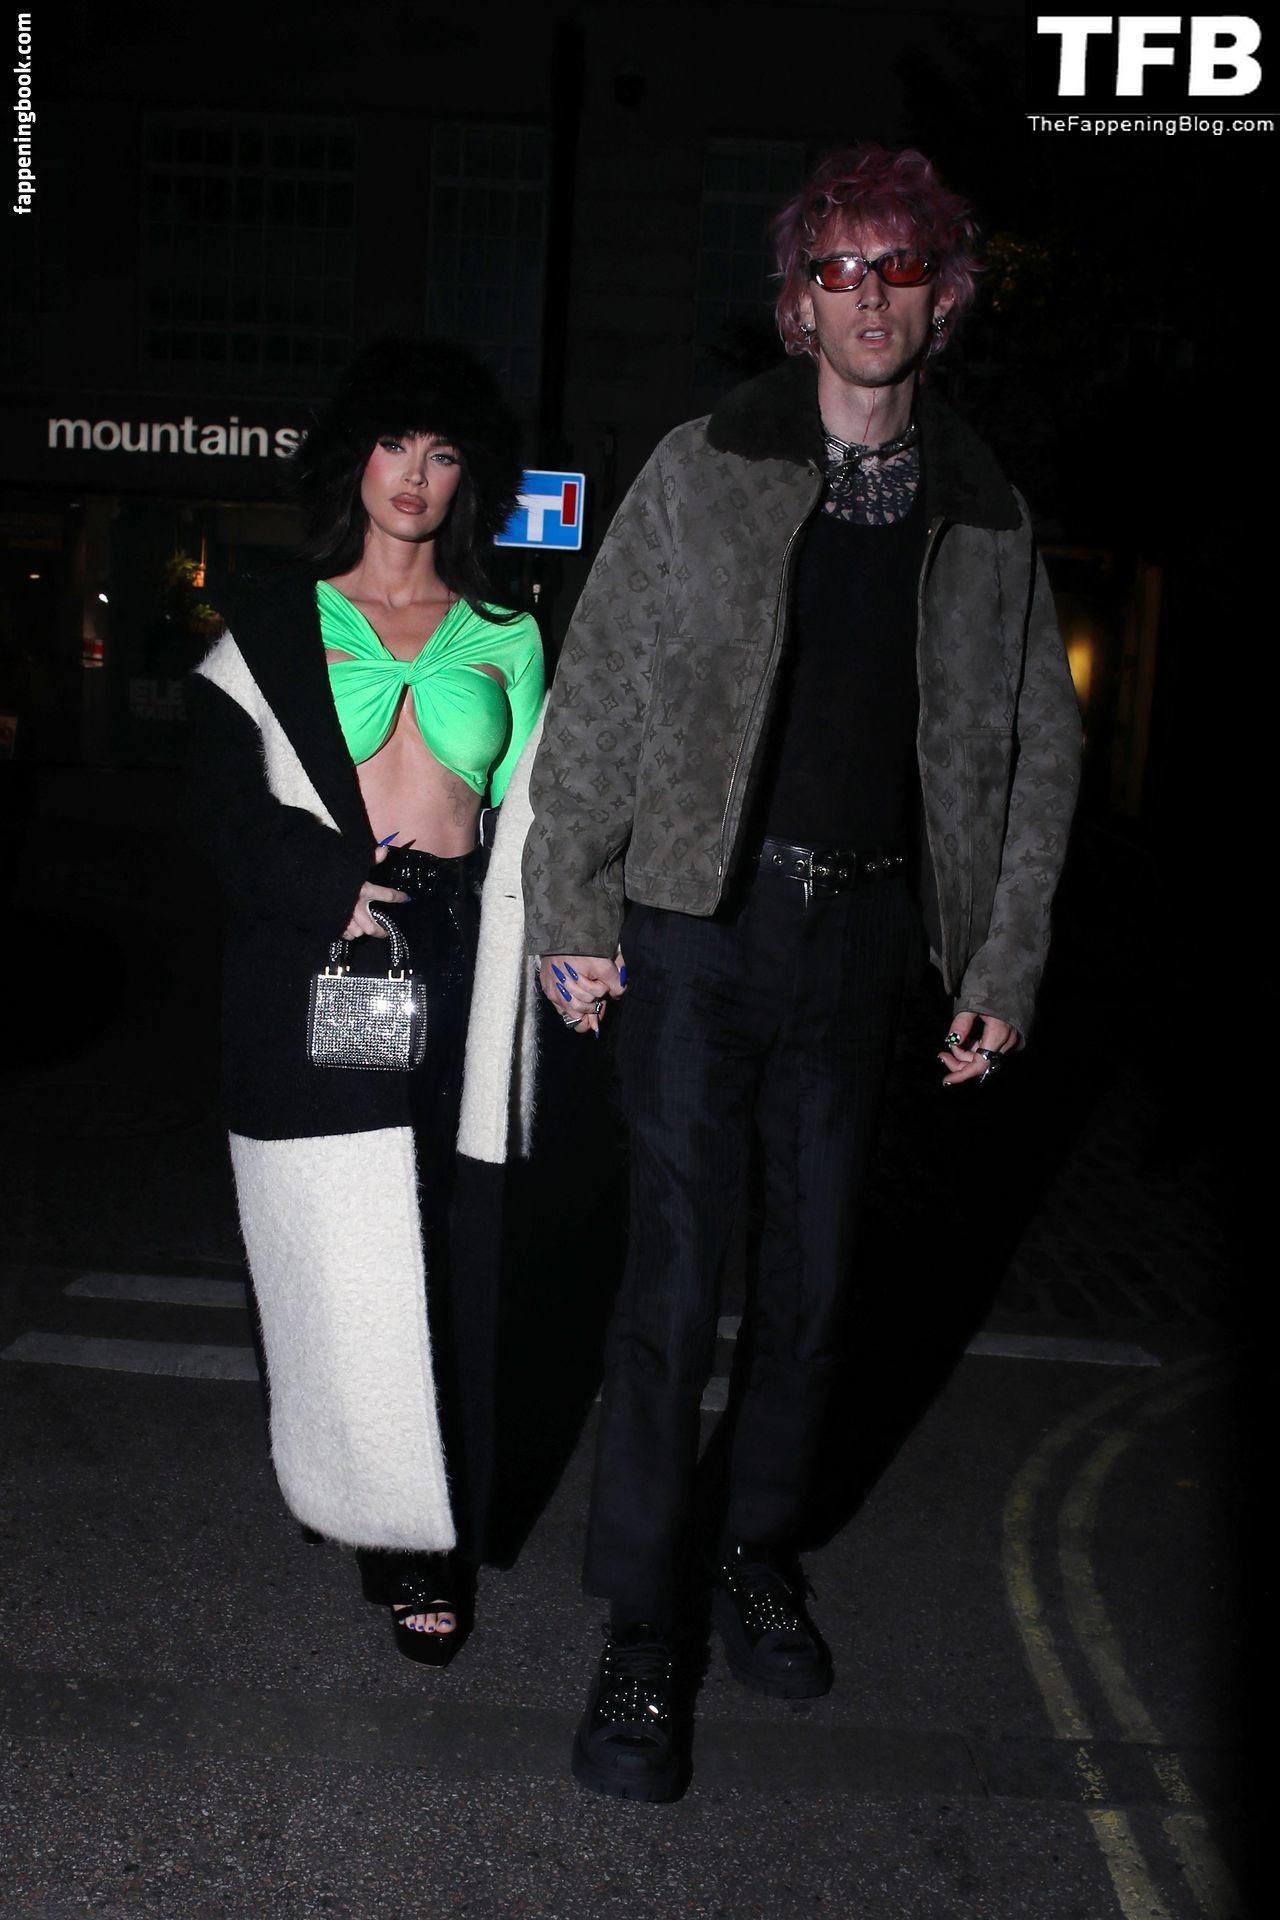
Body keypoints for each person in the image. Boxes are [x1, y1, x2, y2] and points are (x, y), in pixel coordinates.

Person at [522, 143, 1082, 1798]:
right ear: (799, 300)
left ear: (941, 295)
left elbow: (1038, 746)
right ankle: (643, 1630)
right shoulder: (706, 464)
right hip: (699, 929)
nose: (867, 297)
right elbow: (601, 689)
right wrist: (570, 904)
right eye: (838, 269)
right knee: (673, 1286)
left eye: (898, 268)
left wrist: (1004, 952)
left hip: (866, 940)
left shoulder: (986, 506)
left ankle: (752, 1548)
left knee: (821, 1288)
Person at [185, 337, 544, 1665]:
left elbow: (543, 812)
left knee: (451, 1244)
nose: (416, 475)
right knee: (346, 1244)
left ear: (469, 476)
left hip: (462, 956)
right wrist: (326, 883)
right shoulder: (277, 624)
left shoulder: (509, 631)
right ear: (355, 460)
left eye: (443, 453)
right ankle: (389, 1523)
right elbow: (215, 806)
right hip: (323, 953)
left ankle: (426, 1512)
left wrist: (573, 948)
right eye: (396, 445)